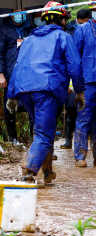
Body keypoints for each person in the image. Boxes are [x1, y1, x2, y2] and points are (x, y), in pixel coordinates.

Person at [7, 1, 85, 184]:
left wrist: (11, 95)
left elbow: (16, 67)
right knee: (44, 133)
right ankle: (28, 170)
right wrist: (80, 92)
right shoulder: (63, 37)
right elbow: (75, 66)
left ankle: (48, 172)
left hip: (25, 90)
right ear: (63, 20)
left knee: (42, 129)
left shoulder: (29, 39)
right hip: (46, 89)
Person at [0, 8, 34, 145]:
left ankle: (34, 137)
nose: (20, 13)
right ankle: (13, 139)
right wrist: (1, 75)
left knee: (33, 105)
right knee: (10, 106)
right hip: (11, 75)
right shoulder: (3, 31)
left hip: (30, 74)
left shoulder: (30, 28)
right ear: (11, 13)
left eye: (23, 10)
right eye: (17, 10)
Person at [61, 9, 91, 149]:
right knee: (72, 107)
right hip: (76, 74)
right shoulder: (71, 31)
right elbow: (71, 58)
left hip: (86, 73)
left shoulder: (90, 29)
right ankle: (69, 140)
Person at [73, 4, 96, 167]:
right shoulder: (82, 29)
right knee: (84, 117)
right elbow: (74, 57)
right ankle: (80, 155)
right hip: (87, 80)